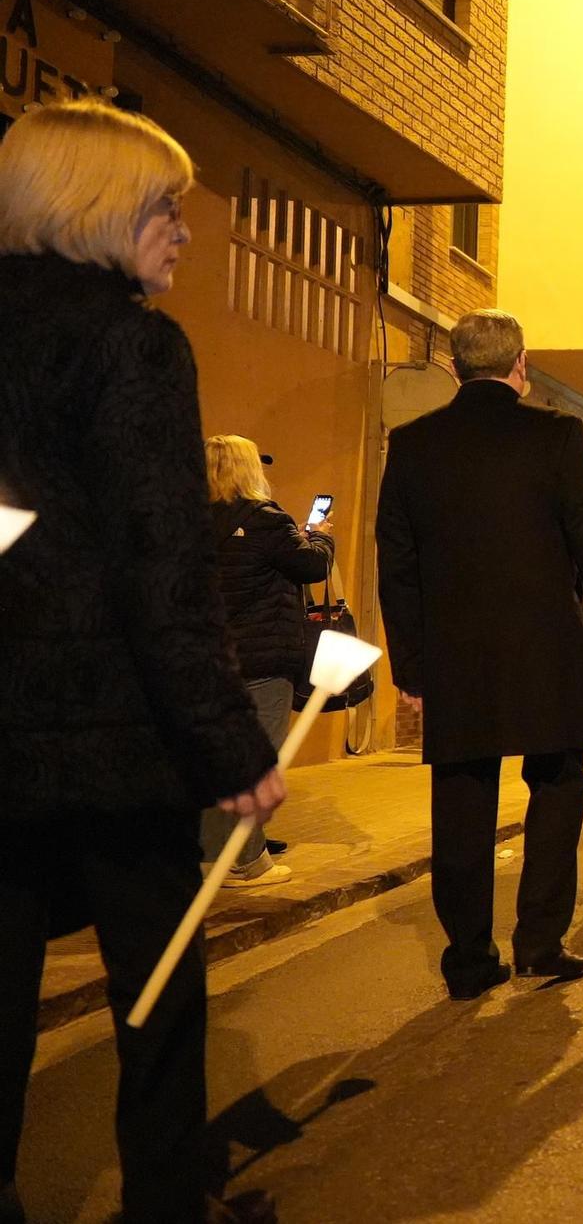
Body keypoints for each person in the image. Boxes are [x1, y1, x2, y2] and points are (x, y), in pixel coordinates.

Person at [0, 99, 284, 1223]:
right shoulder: (131, 344)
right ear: (100, 208)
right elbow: (160, 564)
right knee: (156, 991)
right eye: (166, 206)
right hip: (115, 739)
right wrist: (230, 745)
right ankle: (167, 1199)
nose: (183, 230)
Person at [378, 309, 583, 1000]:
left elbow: (398, 562)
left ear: (453, 367)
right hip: (545, 650)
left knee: (462, 799)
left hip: (456, 656)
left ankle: (469, 956)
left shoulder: (412, 444)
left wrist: (411, 666)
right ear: (520, 365)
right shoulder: (556, 435)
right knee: (558, 787)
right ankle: (538, 939)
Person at [203, 435, 336, 890]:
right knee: (257, 760)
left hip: (212, 660)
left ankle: (214, 852)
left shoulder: (189, 521)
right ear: (247, 469)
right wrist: (318, 536)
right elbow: (311, 567)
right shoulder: (266, 520)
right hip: (262, 659)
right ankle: (244, 859)